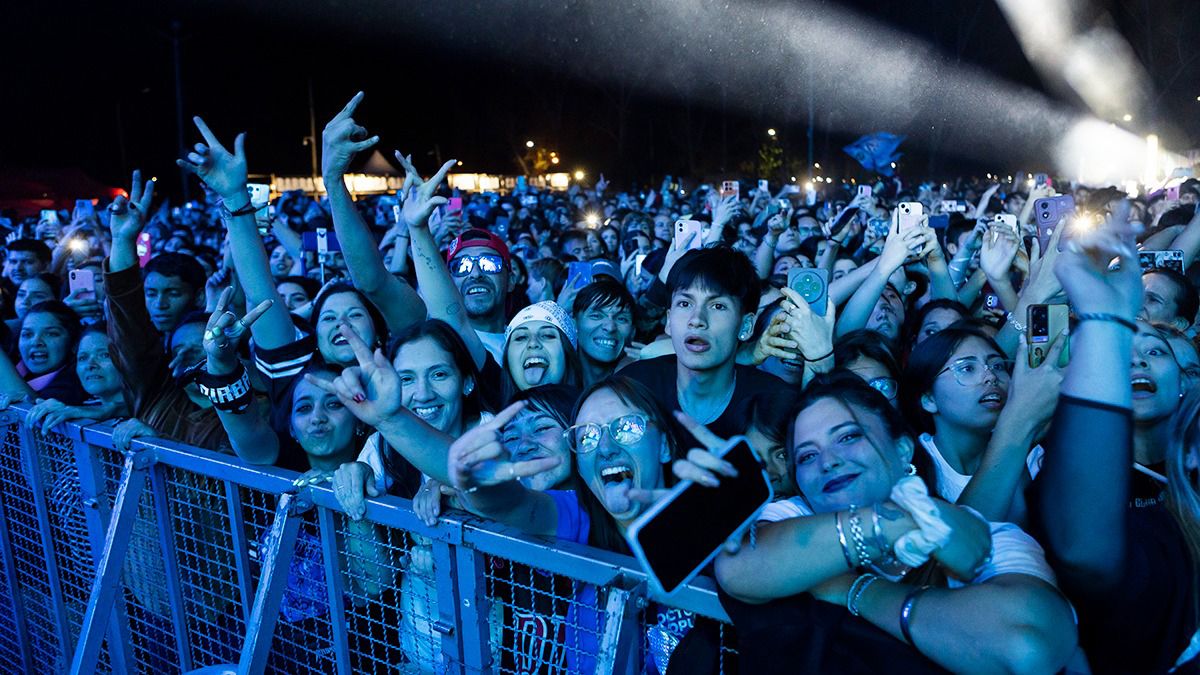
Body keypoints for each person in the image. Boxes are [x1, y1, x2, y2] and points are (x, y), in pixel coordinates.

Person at [706, 373, 1076, 674]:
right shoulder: (795, 516)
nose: (828, 461)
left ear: (903, 450)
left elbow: (1026, 646)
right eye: (807, 455)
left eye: (848, 437)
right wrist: (893, 524)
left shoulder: (995, 539)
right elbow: (740, 569)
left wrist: (858, 592)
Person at [1031, 201, 1198, 673]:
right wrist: (1106, 325)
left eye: (1155, 352)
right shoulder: (1067, 473)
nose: (1139, 359)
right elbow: (1085, 552)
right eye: (1127, 350)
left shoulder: (1192, 488)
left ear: (1186, 380)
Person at [619, 247, 787, 448]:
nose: (697, 320)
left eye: (717, 306)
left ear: (746, 325)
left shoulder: (775, 401)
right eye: (684, 303)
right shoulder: (633, 388)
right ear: (669, 320)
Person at [26, 324, 130, 432]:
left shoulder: (144, 419)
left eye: (104, 355)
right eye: (82, 358)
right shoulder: (74, 409)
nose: (90, 365)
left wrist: (113, 409)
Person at [571, 278, 635, 387]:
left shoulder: (642, 381)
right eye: (596, 316)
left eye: (621, 319)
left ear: (633, 332)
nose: (610, 327)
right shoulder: (555, 375)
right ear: (573, 324)